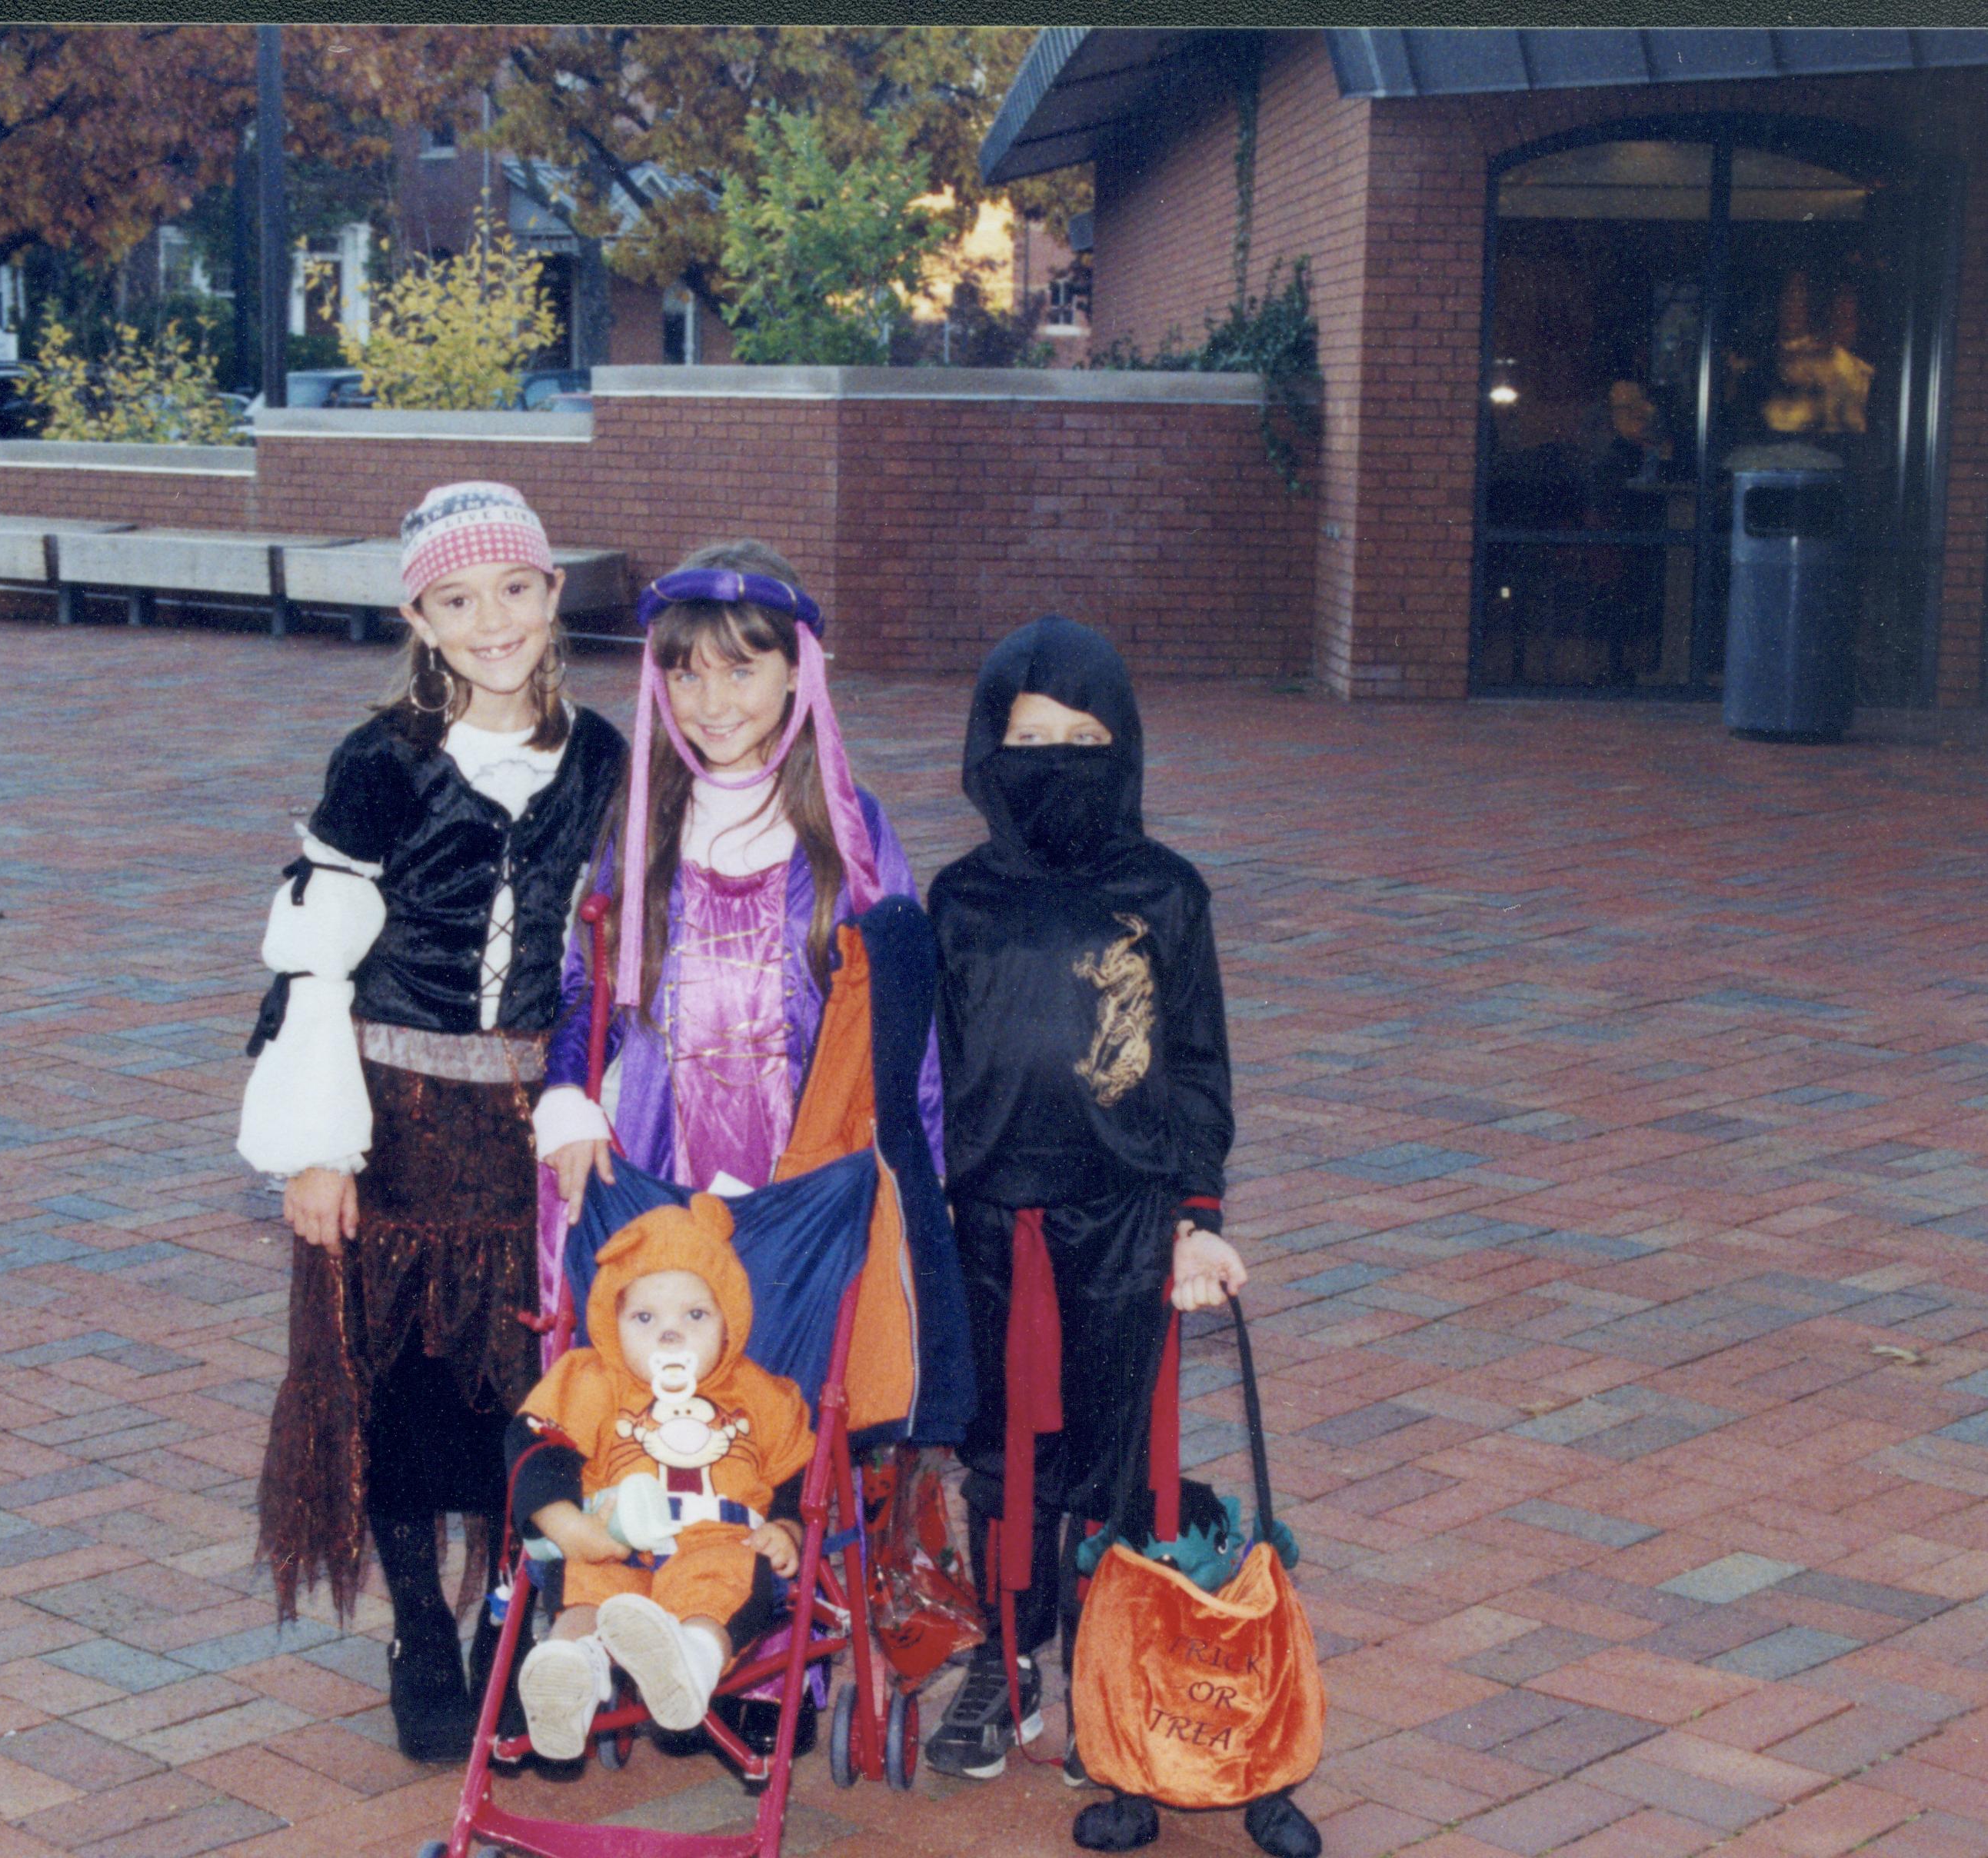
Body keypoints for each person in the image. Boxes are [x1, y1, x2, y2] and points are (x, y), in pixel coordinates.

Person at [243, 481, 628, 1763]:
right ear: (418, 616)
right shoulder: (380, 761)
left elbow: (616, 949)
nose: (492, 620)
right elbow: (313, 962)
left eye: (514, 589)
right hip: (396, 1118)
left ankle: (504, 1626)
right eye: (457, 600)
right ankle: (420, 1625)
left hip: (532, 1125)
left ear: (551, 593)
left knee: (522, 1387)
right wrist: (314, 1145)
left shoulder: (605, 759)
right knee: (404, 1385)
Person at [924, 616, 1317, 1858]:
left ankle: (1123, 1693)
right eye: (1029, 741)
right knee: (999, 1459)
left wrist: (1199, 1215)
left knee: (1115, 1462)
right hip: (989, 1216)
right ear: (991, 750)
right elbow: (922, 1073)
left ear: (1123, 748)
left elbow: (1197, 1064)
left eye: (1081, 742)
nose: (1055, 763)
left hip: (1125, 1216)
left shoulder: (1163, 892)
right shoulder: (960, 897)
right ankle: (1006, 1653)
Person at [535, 538, 940, 1217]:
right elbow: (592, 982)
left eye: (741, 672)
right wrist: (568, 1093)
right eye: (687, 677)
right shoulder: (642, 820)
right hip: (662, 1161)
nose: (712, 703)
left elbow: (905, 1015)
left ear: (796, 672)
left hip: (814, 1172)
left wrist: (922, 1179)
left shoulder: (849, 828)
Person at [504, 1196, 814, 1759]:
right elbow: (535, 1444)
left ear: (729, 1321)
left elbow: (794, 1470)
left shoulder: (759, 1393)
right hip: (611, 1538)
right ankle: (571, 1672)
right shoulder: (593, 1380)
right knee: (586, 1591)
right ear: (611, 1323)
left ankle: (688, 1664)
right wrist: (567, 1525)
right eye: (645, 1319)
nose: (670, 1335)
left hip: (720, 1540)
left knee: (726, 1581)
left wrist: (787, 1527)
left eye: (694, 1316)